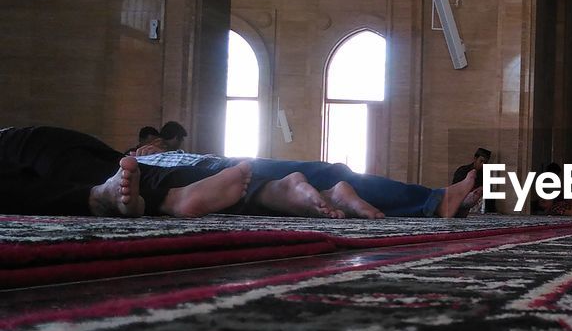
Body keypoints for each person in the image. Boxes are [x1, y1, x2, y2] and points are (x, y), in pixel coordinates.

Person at [132, 144, 480, 220]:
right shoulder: (133, 167)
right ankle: (434, 201)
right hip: (216, 170)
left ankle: (435, 200)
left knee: (332, 176)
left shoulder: (146, 161)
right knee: (331, 177)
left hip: (215, 165)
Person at [0, 125, 251, 218]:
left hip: (17, 138)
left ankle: (276, 189)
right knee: (133, 179)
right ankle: (171, 198)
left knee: (137, 172)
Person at [452, 147, 496, 213]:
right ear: (475, 159)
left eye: (485, 163)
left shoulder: (485, 175)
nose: (483, 165)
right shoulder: (462, 171)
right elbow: (455, 189)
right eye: (481, 161)